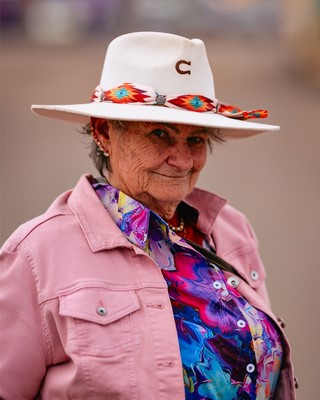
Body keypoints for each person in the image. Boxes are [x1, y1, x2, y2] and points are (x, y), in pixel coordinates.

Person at [0, 32, 296, 400]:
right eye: (159, 133)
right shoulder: (35, 255)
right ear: (104, 132)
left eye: (196, 139)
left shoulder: (230, 229)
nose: (183, 159)